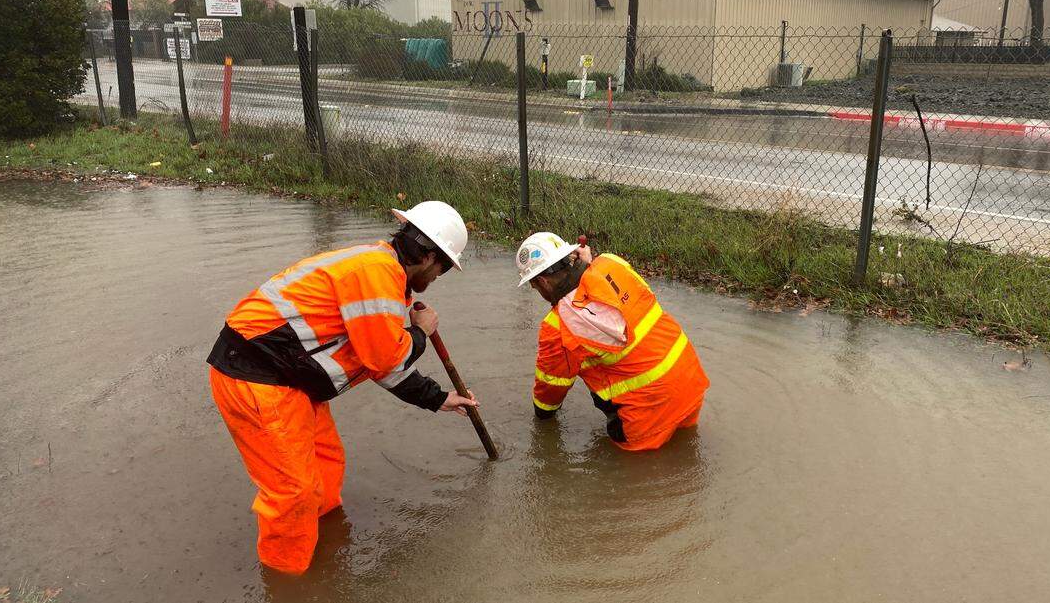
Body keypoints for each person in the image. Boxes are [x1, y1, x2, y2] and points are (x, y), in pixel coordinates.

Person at [206, 201, 479, 575]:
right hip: (256, 377)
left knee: (327, 463)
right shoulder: (376, 274)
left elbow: (376, 362)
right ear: (430, 256)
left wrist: (438, 398)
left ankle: (322, 549)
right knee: (294, 492)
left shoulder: (386, 278)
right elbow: (385, 358)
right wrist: (421, 332)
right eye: (441, 270)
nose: (435, 279)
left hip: (292, 381)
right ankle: (289, 581)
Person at [516, 232, 709, 451]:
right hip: (690, 382)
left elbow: (548, 396)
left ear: (541, 281)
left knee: (640, 480)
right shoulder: (611, 262)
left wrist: (541, 425)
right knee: (688, 449)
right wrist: (587, 266)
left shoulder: (557, 326)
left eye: (535, 287)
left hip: (647, 414)